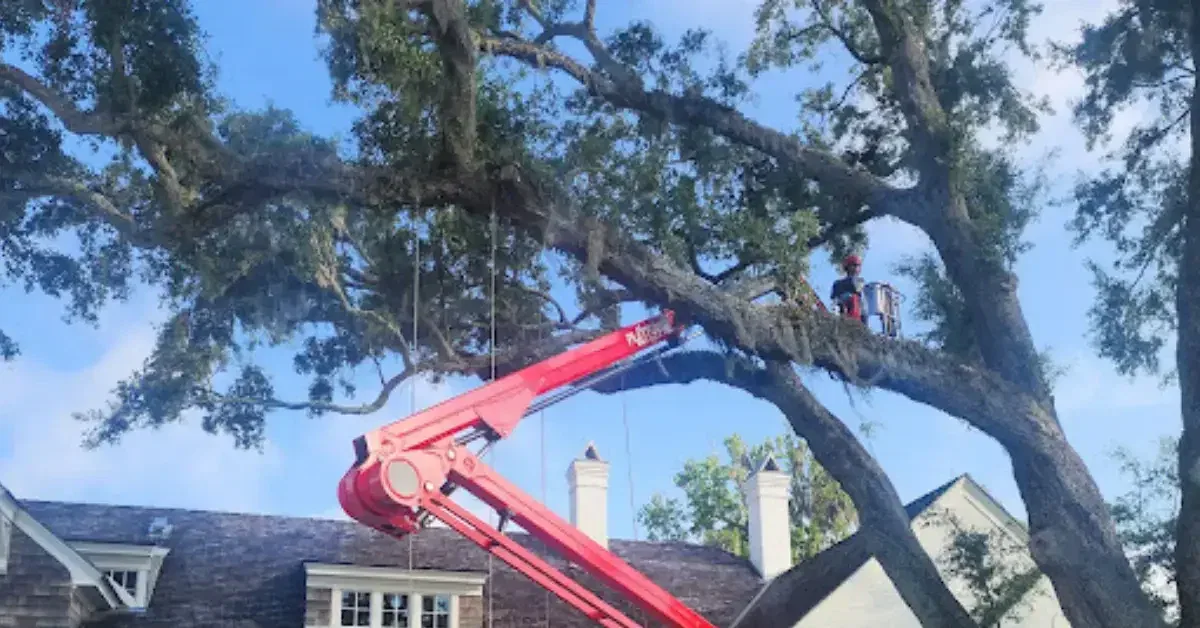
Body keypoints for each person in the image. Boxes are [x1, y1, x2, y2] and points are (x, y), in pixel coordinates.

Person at [830, 254, 867, 324]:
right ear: (848, 267)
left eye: (858, 266)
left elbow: (864, 310)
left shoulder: (860, 283)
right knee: (853, 298)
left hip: (858, 317)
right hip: (842, 313)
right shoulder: (838, 283)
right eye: (854, 265)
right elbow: (834, 301)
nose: (856, 268)